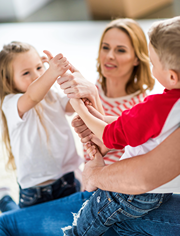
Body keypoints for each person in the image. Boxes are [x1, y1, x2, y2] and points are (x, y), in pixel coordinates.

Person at [0, 18, 180, 236]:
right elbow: (37, 96)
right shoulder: (94, 89)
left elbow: (116, 137)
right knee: (26, 219)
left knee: (78, 223)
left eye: (121, 49)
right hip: (62, 185)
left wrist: (81, 106)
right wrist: (85, 94)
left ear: (137, 59)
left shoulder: (149, 105)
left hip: (99, 185)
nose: (110, 55)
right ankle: (6, 200)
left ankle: (7, 202)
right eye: (105, 47)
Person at [63, 16, 180, 235]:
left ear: (171, 76)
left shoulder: (156, 106)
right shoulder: (174, 107)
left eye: (154, 63)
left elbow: (109, 135)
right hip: (159, 193)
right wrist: (97, 115)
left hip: (129, 192)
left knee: (87, 221)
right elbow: (126, 126)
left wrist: (79, 108)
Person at [0, 41, 82, 212]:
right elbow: (32, 96)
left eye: (39, 67)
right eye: (26, 72)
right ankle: (5, 199)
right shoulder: (11, 103)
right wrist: (50, 73)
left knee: (72, 225)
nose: (37, 75)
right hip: (35, 190)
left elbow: (74, 103)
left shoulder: (52, 95)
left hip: (66, 179)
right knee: (25, 229)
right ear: (9, 80)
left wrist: (68, 77)